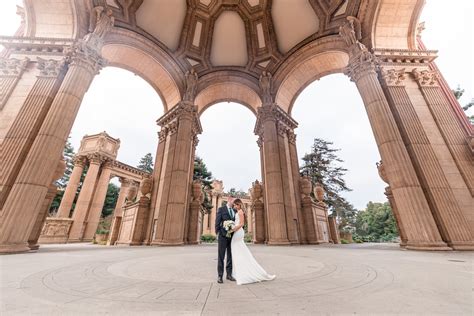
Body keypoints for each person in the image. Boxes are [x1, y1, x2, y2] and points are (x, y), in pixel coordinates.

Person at [230, 199, 276, 285]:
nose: (234, 206)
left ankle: (244, 273)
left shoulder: (240, 212)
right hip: (237, 232)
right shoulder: (238, 212)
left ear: (239, 205)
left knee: (238, 251)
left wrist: (233, 229)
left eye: (235, 205)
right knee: (238, 252)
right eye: (234, 205)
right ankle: (239, 271)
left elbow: (242, 224)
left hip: (238, 232)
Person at [215, 197, 236, 283]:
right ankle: (220, 276)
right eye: (233, 201)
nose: (234, 203)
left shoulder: (235, 211)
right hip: (223, 236)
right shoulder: (221, 209)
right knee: (221, 256)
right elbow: (217, 221)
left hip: (232, 237)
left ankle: (229, 275)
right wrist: (218, 232)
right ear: (229, 200)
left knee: (230, 256)